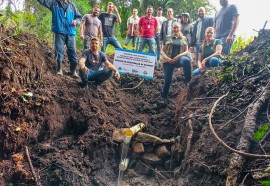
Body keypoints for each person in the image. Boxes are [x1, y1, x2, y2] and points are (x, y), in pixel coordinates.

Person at [37, 0, 81, 77]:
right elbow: (43, 1)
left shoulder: (72, 6)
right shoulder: (54, 3)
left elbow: (79, 18)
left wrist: (76, 21)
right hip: (59, 31)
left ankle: (73, 71)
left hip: (70, 32)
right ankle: (59, 69)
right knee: (58, 50)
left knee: (72, 51)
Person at [160, 22, 191, 99]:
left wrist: (178, 56)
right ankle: (164, 97)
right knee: (168, 79)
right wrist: (168, 59)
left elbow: (186, 51)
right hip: (168, 61)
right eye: (174, 27)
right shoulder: (167, 38)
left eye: (177, 27)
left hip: (178, 59)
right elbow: (162, 50)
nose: (175, 29)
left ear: (180, 28)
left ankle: (188, 82)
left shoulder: (184, 38)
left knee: (186, 60)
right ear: (172, 29)